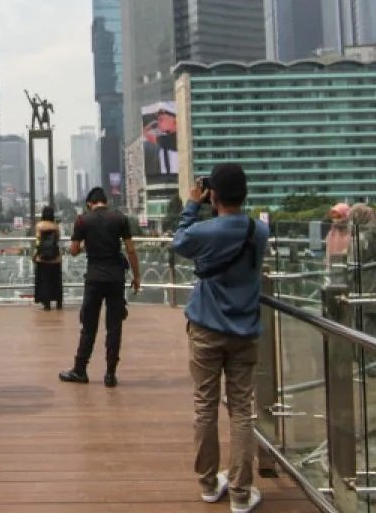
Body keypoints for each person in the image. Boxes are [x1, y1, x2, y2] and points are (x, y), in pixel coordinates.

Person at [172, 164, 268, 511]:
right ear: (244, 194)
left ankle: (209, 484)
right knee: (242, 411)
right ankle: (241, 495)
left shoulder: (205, 231)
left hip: (206, 330)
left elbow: (179, 242)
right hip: (244, 332)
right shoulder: (259, 232)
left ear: (213, 194)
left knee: (205, 407)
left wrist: (192, 204)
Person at [58, 187, 140, 387]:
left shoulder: (82, 220)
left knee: (89, 326)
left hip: (94, 278)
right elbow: (130, 249)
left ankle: (80, 370)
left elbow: (74, 250)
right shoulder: (119, 218)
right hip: (115, 278)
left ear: (89, 203)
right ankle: (110, 374)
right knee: (114, 327)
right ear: (106, 201)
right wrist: (137, 276)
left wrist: (88, 243)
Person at [33, 206, 63, 311]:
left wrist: (35, 254)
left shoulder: (39, 225)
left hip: (42, 258)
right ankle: (59, 302)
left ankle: (47, 304)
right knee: (56, 280)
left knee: (44, 281)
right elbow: (58, 239)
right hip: (55, 258)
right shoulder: (56, 226)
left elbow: (38, 241)